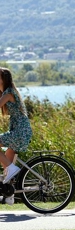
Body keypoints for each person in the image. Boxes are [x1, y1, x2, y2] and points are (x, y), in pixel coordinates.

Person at [0, 67, 32, 205]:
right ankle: (9, 194)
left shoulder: (9, 93)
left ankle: (11, 169)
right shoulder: (7, 92)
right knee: (6, 163)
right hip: (21, 130)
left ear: (3, 79)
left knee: (9, 166)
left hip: (20, 132)